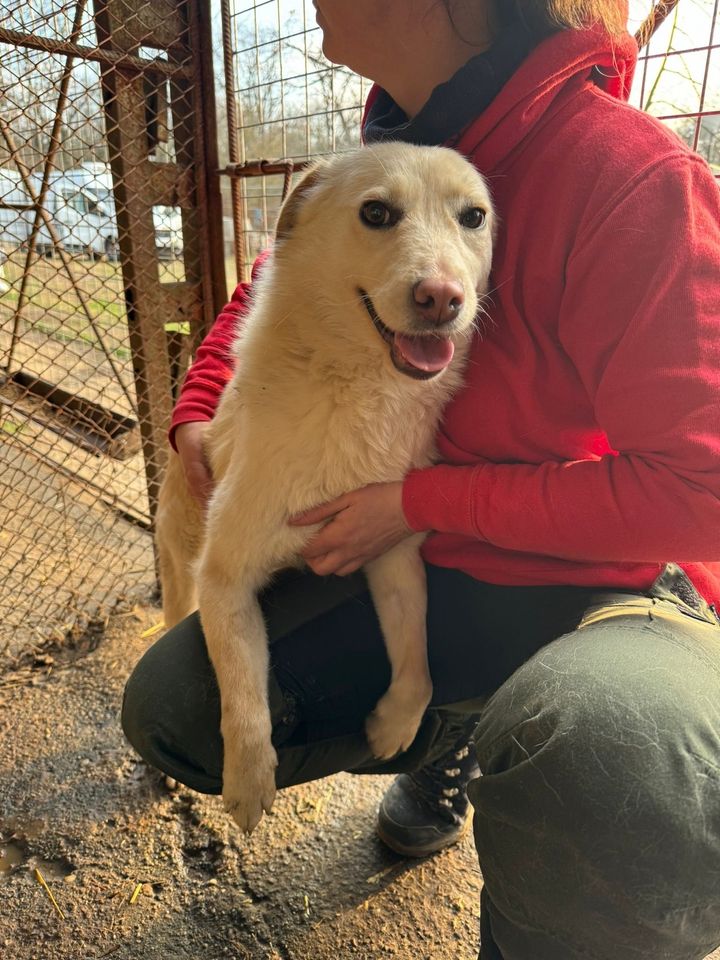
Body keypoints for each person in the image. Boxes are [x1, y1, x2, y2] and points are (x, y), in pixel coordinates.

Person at [122, 1, 720, 957]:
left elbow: (703, 497)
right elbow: (289, 277)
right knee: (179, 709)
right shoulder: (405, 138)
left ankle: (533, 746)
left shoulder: (629, 177)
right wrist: (202, 396)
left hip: (605, 579)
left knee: (616, 762)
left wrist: (416, 501)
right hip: (432, 558)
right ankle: (447, 734)